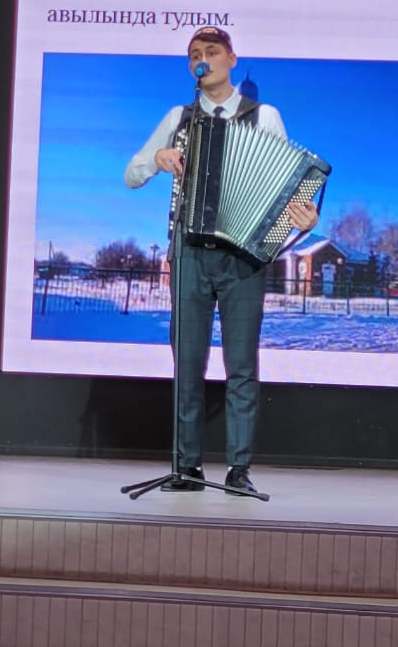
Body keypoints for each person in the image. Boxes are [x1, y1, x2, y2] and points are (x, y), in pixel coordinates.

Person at [125, 25, 318, 496]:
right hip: (190, 254)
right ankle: (186, 467)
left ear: (231, 59)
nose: (203, 58)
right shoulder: (179, 118)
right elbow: (131, 174)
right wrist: (158, 158)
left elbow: (288, 183)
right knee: (188, 365)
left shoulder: (264, 115)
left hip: (242, 257)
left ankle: (238, 470)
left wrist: (306, 216)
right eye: (195, 53)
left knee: (241, 366)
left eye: (212, 51)